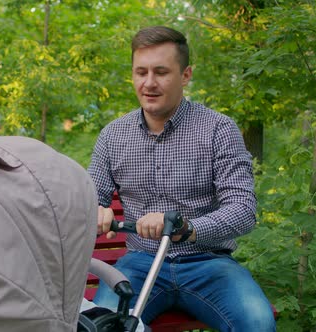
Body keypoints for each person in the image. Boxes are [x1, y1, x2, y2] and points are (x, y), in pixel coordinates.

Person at [88, 26, 276, 331]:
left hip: (209, 263)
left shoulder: (219, 129)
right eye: (141, 72)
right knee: (105, 326)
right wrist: (96, 209)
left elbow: (242, 210)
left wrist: (186, 229)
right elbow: (90, 197)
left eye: (161, 72)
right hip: (140, 263)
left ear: (185, 75)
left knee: (257, 323)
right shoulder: (112, 136)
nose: (149, 83)